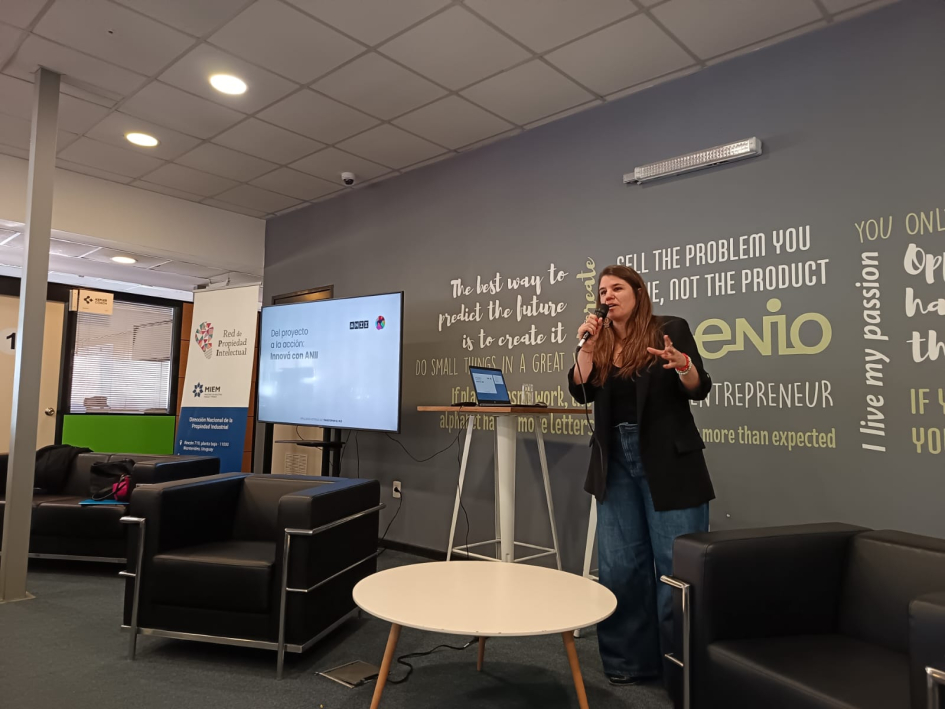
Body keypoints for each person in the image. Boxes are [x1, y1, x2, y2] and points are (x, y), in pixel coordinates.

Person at [567, 264, 714, 685]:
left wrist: (681, 362)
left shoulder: (669, 328)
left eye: (617, 288)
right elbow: (580, 390)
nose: (608, 295)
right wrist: (587, 349)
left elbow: (698, 386)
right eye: (602, 290)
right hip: (614, 461)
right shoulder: (599, 340)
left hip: (667, 459)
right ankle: (627, 663)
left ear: (637, 292)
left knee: (676, 570)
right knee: (620, 567)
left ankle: (681, 670)